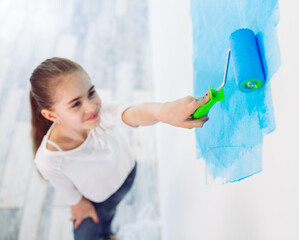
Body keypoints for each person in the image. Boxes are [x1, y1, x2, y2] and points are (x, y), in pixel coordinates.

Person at [29, 57, 210, 240]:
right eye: (76, 103)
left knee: (108, 217)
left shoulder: (102, 115)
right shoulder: (48, 160)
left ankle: (107, 234)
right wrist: (78, 203)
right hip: (97, 199)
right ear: (51, 115)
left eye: (91, 93)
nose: (91, 107)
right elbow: (66, 189)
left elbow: (136, 113)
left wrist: (164, 112)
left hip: (126, 176)